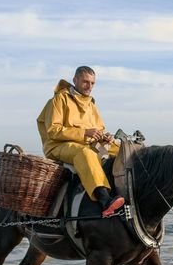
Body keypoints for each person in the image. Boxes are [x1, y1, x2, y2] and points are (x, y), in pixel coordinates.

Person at [36, 66, 125, 217]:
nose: (89, 86)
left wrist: (105, 137)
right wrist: (85, 133)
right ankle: (105, 200)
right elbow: (53, 131)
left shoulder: (91, 104)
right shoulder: (59, 99)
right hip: (59, 146)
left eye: (92, 83)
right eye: (85, 82)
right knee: (86, 153)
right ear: (75, 80)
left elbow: (99, 130)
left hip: (89, 144)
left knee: (121, 148)